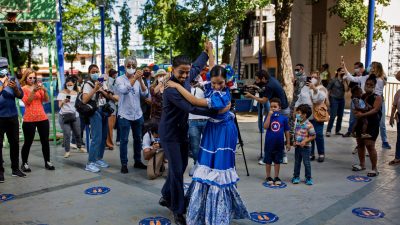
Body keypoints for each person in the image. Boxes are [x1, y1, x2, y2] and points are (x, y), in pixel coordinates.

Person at [166, 65, 249, 225]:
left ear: (227, 80)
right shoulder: (211, 85)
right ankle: (201, 206)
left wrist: (176, 85)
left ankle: (218, 213)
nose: (217, 86)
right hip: (212, 129)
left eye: (220, 83)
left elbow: (195, 101)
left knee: (219, 168)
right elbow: (213, 67)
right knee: (205, 165)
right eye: (214, 82)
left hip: (223, 132)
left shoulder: (222, 96)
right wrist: (210, 51)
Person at [158, 42, 217, 225]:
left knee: (181, 167)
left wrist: (206, 51)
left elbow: (198, 65)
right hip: (169, 134)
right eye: (181, 72)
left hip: (181, 130)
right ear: (172, 70)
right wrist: (217, 110)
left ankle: (166, 195)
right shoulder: (170, 89)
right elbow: (191, 107)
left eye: (186, 72)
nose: (185, 75)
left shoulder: (185, 78)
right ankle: (178, 209)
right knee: (176, 171)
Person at [245, 69, 290, 163]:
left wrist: (251, 96)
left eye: (257, 80)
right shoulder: (272, 80)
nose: (256, 81)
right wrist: (255, 86)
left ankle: (270, 158)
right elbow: (264, 89)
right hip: (283, 108)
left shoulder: (269, 86)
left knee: (273, 134)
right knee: (279, 134)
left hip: (279, 110)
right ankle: (283, 156)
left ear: (263, 78)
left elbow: (263, 100)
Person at [344, 61, 391, 149]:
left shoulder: (380, 80)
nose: (370, 68)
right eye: (370, 66)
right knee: (361, 122)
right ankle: (360, 142)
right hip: (365, 101)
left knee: (378, 123)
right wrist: (344, 67)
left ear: (376, 69)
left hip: (375, 103)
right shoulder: (365, 77)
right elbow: (352, 78)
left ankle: (381, 142)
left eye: (372, 66)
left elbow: (378, 93)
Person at [115, 57, 148, 174]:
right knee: (124, 140)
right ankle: (124, 163)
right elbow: (124, 90)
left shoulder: (138, 80)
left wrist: (141, 80)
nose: (131, 68)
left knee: (138, 139)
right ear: (124, 67)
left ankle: (137, 161)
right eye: (129, 66)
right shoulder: (119, 79)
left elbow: (145, 93)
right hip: (124, 114)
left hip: (137, 114)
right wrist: (134, 78)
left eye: (134, 66)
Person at [20, 68, 55, 172]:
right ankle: (24, 163)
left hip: (42, 118)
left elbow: (46, 100)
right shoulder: (23, 89)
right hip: (29, 119)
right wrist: (34, 91)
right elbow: (27, 102)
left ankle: (47, 162)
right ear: (25, 78)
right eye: (30, 78)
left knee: (45, 141)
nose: (32, 79)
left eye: (34, 78)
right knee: (28, 142)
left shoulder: (38, 87)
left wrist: (44, 90)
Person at [82, 64, 114, 173]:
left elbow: (109, 96)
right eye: (93, 72)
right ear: (89, 73)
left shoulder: (102, 82)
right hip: (94, 112)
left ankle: (98, 158)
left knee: (103, 137)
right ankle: (90, 162)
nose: (95, 73)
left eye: (97, 71)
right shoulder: (87, 84)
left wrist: (102, 90)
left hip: (103, 111)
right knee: (96, 138)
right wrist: (95, 89)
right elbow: (84, 100)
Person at [0, 57, 26, 182]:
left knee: (15, 143)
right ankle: (0, 172)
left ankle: (15, 169)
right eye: (1, 68)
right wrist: (3, 86)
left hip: (12, 116)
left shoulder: (13, 79)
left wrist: (15, 88)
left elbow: (20, 95)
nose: (3, 70)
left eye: (5, 67)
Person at [351, 75, 382, 177]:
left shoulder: (377, 97)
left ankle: (374, 169)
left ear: (374, 86)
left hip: (372, 124)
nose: (368, 86)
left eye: (371, 85)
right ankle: (362, 164)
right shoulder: (362, 96)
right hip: (361, 122)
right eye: (367, 84)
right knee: (360, 143)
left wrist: (362, 114)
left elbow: (375, 110)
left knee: (370, 145)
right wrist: (355, 112)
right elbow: (357, 107)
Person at [294, 71, 328, 162]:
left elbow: (321, 99)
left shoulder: (321, 88)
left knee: (319, 134)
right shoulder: (304, 88)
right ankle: (311, 153)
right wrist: (296, 111)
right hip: (307, 117)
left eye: (315, 77)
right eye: (311, 77)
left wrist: (314, 89)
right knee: (309, 134)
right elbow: (299, 100)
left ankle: (321, 153)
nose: (313, 79)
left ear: (318, 79)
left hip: (317, 115)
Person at [263, 98, 290, 185]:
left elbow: (287, 131)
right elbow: (265, 127)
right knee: (268, 160)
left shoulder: (284, 118)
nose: (273, 108)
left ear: (279, 108)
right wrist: (269, 116)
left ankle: (276, 176)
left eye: (275, 107)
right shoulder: (268, 116)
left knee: (278, 160)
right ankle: (268, 176)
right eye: (271, 107)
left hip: (279, 144)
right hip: (269, 143)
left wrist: (288, 142)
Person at [57, 77, 86, 158]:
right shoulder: (61, 93)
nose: (69, 86)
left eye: (71, 84)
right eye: (68, 84)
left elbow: (80, 103)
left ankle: (79, 147)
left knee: (77, 132)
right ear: (66, 84)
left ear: (74, 84)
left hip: (75, 115)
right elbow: (59, 106)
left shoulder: (76, 92)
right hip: (64, 116)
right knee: (67, 134)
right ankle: (67, 151)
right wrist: (63, 101)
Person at [292, 104, 316, 185]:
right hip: (297, 147)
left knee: (306, 163)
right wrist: (294, 142)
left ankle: (308, 178)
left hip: (306, 148)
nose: (296, 114)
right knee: (297, 162)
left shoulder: (309, 125)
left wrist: (305, 141)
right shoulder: (297, 123)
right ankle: (296, 176)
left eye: (298, 112)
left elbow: (313, 136)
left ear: (304, 115)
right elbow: (295, 134)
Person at [343, 62, 366, 137]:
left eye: (356, 68)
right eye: (354, 68)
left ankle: (359, 133)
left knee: (362, 118)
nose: (355, 69)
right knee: (352, 118)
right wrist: (345, 81)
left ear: (361, 68)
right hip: (354, 100)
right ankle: (350, 131)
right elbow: (348, 89)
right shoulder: (353, 77)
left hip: (363, 100)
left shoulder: (365, 77)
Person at [326, 67, 346, 136]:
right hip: (334, 98)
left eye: (344, 71)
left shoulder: (344, 80)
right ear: (338, 72)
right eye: (341, 71)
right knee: (333, 115)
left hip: (342, 99)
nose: (343, 72)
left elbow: (346, 89)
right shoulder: (333, 80)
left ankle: (337, 130)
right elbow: (327, 90)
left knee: (340, 116)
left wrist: (344, 82)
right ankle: (328, 131)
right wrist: (327, 99)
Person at [105, 69, 119, 150]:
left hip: (111, 107)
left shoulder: (110, 81)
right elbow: (109, 94)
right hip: (111, 108)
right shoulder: (111, 82)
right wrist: (115, 99)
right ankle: (109, 144)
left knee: (109, 127)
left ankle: (108, 143)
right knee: (110, 127)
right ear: (113, 74)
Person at [389, 71, 400, 166]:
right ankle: (397, 157)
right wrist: (392, 117)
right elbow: (394, 105)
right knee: (399, 138)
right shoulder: (398, 92)